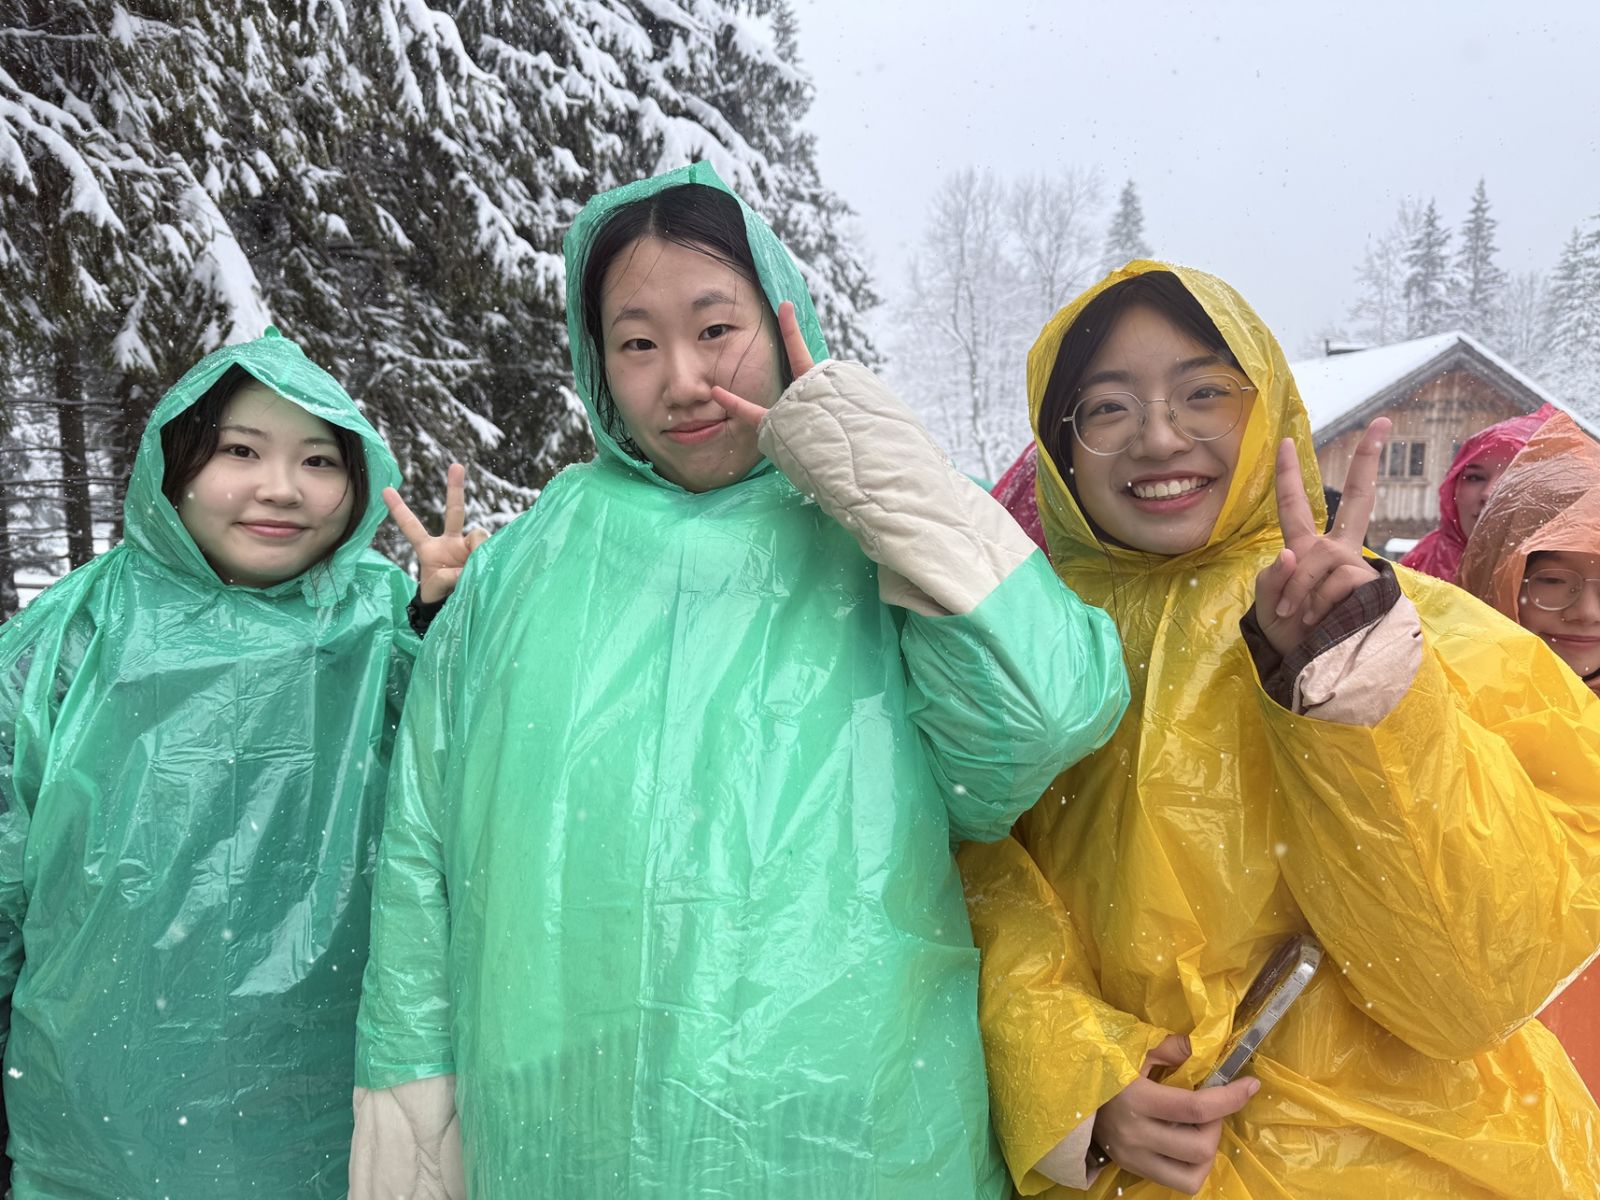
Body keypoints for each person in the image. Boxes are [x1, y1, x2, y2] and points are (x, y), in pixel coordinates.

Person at [349, 162, 1129, 1198]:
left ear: (781, 317)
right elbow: (419, 859)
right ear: (597, 362)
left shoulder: (870, 543)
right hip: (566, 1135)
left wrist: (870, 465)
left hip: (844, 1129)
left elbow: (1041, 717)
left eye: (716, 329)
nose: (680, 379)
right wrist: (410, 1136)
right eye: (637, 343)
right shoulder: (518, 572)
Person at [961, 261, 1600, 1197]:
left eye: (1204, 393)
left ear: (1267, 410)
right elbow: (960, 889)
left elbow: (1472, 985)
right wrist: (1075, 1086)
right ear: (1062, 445)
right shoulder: (1017, 644)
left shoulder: (1428, 629)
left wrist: (1355, 688)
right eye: (1106, 408)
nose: (1160, 435)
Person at [0, 330, 475, 1197]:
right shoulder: (75, 632)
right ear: (175, 468)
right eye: (240, 451)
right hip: (92, 1114)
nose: (281, 488)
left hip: (320, 1107)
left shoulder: (380, 625)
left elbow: (455, 785)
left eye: (319, 460)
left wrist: (441, 626)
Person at [1459, 412, 1600, 1098]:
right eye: (1553, 582)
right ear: (1500, 578)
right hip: (1487, 1062)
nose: (1586, 613)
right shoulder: (1456, 713)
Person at [1400, 404, 1556, 581]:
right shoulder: (1416, 568)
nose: (1488, 494)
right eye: (1475, 478)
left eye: (1514, 478)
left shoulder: (1587, 577)